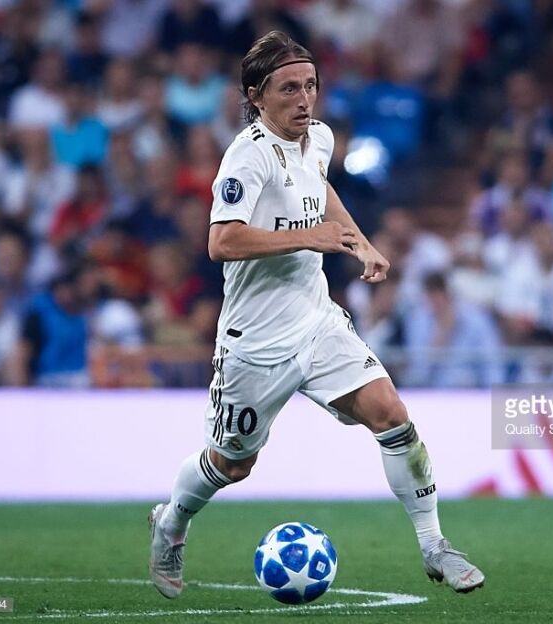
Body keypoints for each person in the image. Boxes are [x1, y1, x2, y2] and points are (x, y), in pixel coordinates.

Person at [148, 31, 484, 598]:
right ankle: (171, 522)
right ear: (256, 96)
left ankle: (434, 545)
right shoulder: (247, 156)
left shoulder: (319, 138)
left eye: (311, 86)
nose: (304, 100)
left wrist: (360, 243)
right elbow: (222, 242)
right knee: (231, 465)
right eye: (289, 89)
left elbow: (319, 188)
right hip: (255, 342)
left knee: (391, 415)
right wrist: (311, 237)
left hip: (317, 321)